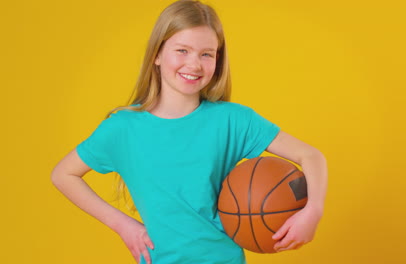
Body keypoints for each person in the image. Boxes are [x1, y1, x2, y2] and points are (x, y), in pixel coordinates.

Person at [50, 0, 328, 263]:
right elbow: (63, 174)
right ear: (157, 54)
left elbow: (311, 156)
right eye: (182, 50)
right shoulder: (123, 127)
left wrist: (312, 211)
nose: (194, 64)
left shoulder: (232, 121)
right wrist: (122, 225)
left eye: (206, 54)